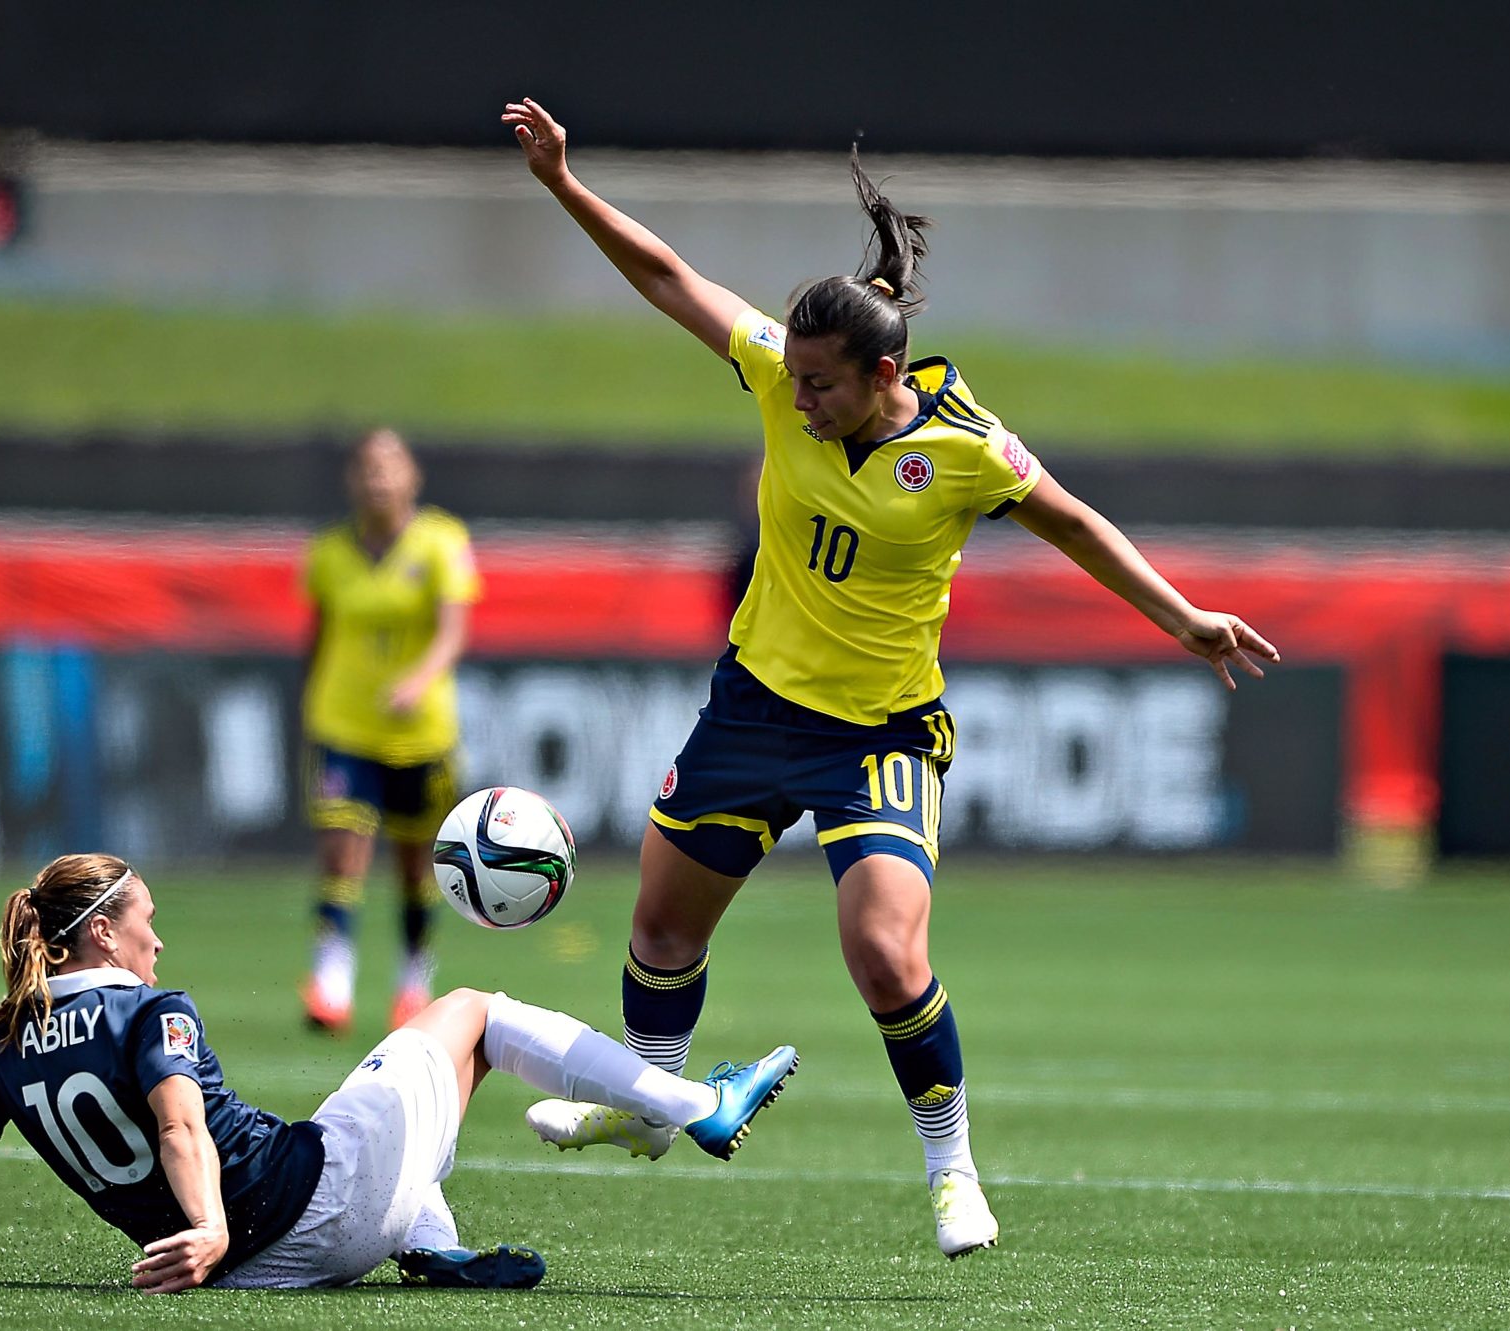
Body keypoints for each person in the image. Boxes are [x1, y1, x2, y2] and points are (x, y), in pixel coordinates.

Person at [501, 98, 1281, 1260]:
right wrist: (564, 186)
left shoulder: (962, 444)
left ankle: (949, 1163)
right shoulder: (775, 374)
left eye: (822, 385)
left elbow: (1069, 522)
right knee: (660, 928)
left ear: (883, 373)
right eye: (794, 381)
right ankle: (654, 1100)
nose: (797, 401)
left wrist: (1180, 618)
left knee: (884, 953)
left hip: (877, 733)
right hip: (753, 704)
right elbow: (667, 276)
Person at [0, 854, 799, 1292]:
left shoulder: (2, 1038)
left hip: (253, 1268)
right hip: (292, 1211)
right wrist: (203, 1220)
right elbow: (183, 1126)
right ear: (101, 934)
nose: (159, 934)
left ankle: (433, 1241)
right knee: (471, 1010)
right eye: (144, 918)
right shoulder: (154, 1007)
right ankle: (697, 1101)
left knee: (386, 1092)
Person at [298, 429, 479, 1036]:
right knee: (341, 849)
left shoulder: (440, 542)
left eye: (389, 467)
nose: (377, 479)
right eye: (366, 468)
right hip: (344, 723)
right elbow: (319, 633)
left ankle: (412, 980)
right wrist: (307, 701)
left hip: (421, 732)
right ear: (352, 480)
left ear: (412, 478)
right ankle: (332, 980)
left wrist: (417, 679)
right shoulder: (328, 553)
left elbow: (453, 631)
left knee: (415, 865)